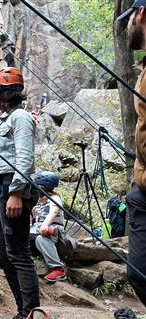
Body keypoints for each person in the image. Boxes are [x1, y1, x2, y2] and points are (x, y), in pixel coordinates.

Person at [0, 67, 39, 318]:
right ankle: (23, 310)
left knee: (18, 252)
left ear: (0, 93)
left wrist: (16, 192)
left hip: (12, 188)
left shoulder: (21, 119)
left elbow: (25, 157)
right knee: (5, 255)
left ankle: (30, 311)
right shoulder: (4, 121)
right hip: (1, 190)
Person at [118, 1, 146, 306]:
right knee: (139, 273)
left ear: (141, 14)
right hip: (142, 190)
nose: (127, 27)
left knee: (141, 273)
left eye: (129, 19)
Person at [31, 171, 67, 283]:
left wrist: (45, 225)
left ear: (43, 186)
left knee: (41, 238)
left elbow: (54, 212)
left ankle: (58, 268)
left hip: (52, 225)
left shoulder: (54, 198)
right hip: (38, 226)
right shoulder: (37, 200)